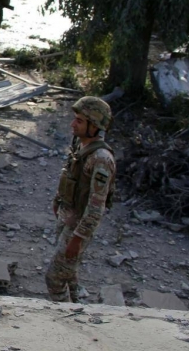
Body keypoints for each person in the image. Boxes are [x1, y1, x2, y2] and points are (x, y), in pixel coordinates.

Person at [46, 96, 116, 303]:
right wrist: (58, 201)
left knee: (54, 279)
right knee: (69, 272)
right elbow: (70, 175)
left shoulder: (101, 159)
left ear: (94, 126)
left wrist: (78, 239)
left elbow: (96, 206)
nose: (72, 124)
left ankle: (63, 317)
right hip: (66, 217)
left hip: (77, 226)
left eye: (79, 121)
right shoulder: (81, 145)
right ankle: (77, 309)